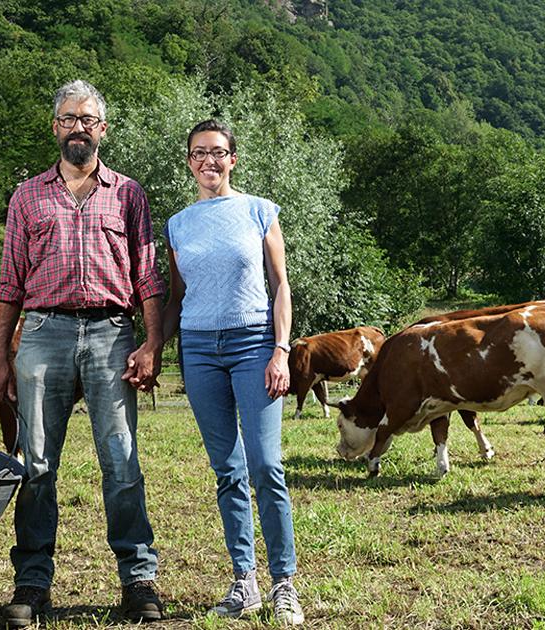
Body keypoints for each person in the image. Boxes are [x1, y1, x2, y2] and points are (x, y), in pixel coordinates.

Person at [0, 79, 167, 628]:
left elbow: (148, 276)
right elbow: (8, 283)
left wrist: (152, 343)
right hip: (43, 334)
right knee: (37, 464)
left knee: (122, 462)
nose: (78, 127)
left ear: (102, 129)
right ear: (55, 128)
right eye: (68, 118)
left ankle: (138, 580)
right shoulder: (27, 197)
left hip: (112, 333)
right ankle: (32, 585)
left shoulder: (128, 193)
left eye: (87, 119)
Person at [161, 119, 304, 625]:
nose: (209, 161)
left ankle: (284, 582)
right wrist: (152, 345)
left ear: (232, 159)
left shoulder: (259, 211)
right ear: (189, 162)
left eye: (218, 152)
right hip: (199, 350)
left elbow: (280, 285)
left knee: (266, 465)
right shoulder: (178, 224)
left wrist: (281, 350)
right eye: (199, 153)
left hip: (254, 344)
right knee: (228, 470)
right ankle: (245, 580)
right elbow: (177, 299)